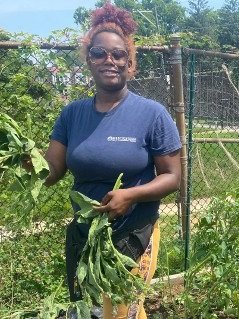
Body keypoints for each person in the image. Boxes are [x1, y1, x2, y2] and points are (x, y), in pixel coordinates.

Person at [45, 3, 182, 319]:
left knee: (123, 311)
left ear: (130, 65)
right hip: (86, 233)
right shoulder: (72, 114)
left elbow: (173, 178)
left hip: (135, 230)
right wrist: (23, 162)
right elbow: (52, 171)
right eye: (99, 54)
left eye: (119, 55)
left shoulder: (152, 115)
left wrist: (130, 195)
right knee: (88, 310)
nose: (110, 60)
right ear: (89, 61)